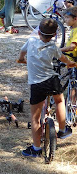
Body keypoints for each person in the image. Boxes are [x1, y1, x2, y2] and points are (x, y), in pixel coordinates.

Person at [17, 18, 74, 157]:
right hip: (51, 80)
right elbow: (64, 59)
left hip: (37, 84)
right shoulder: (53, 47)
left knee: (35, 118)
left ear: (38, 32)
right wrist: (70, 63)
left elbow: (21, 52)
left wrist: (21, 59)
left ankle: (36, 149)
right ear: (54, 35)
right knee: (60, 101)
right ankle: (62, 129)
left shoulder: (31, 42)